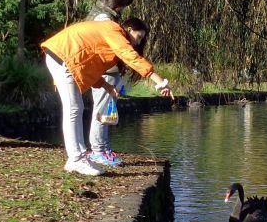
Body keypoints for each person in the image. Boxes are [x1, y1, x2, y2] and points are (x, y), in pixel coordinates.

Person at [41, 17, 173, 176]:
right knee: (74, 108)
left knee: (77, 107)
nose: (138, 43)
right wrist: (159, 81)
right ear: (129, 29)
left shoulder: (108, 35)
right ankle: (76, 159)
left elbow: (88, 66)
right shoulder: (113, 30)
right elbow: (130, 56)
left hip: (63, 56)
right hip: (62, 55)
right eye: (138, 37)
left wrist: (107, 86)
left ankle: (78, 158)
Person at [87, 0, 134, 167]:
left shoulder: (105, 14)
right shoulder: (103, 18)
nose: (123, 8)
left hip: (108, 71)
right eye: (124, 4)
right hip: (103, 71)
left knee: (106, 113)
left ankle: (104, 149)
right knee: (100, 112)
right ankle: (98, 151)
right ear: (118, 0)